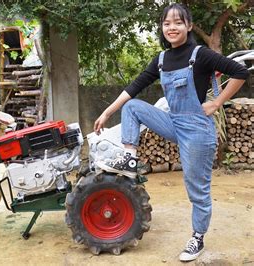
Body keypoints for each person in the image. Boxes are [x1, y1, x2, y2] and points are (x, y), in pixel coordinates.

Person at [93, 3, 249, 262]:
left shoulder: (200, 54)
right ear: (162, 28)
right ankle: (130, 157)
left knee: (196, 188)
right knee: (133, 107)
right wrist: (108, 112)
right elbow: (135, 86)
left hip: (198, 130)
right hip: (174, 122)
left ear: (188, 26)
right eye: (167, 23)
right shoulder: (162, 60)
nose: (172, 27)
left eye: (178, 22)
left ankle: (197, 237)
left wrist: (217, 102)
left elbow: (240, 72)